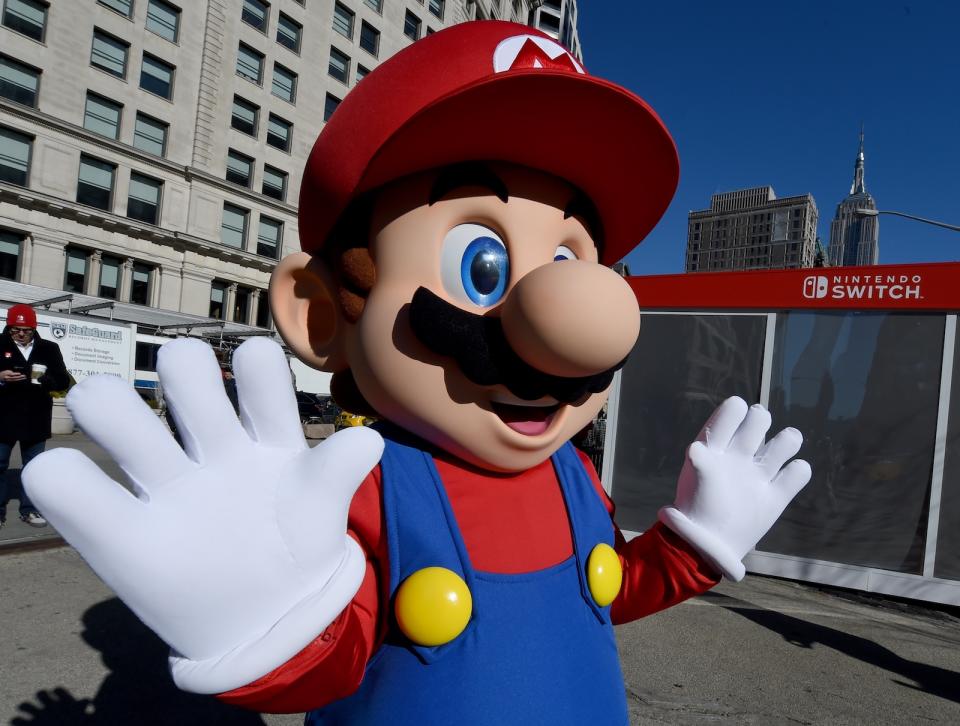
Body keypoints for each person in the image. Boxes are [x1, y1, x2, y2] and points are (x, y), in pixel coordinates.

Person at [24, 21, 812, 724]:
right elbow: (338, 657)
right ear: (324, 314)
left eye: (573, 257)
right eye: (482, 264)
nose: (572, 327)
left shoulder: (573, 477)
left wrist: (694, 547)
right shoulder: (365, 485)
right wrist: (267, 622)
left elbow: (599, 599)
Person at [0, 304, 69, 528]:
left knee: (34, 467)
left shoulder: (49, 348)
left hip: (35, 417)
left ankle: (29, 509)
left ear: (34, 328)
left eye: (26, 329)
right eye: (16, 329)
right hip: (3, 416)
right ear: (9, 327)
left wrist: (47, 379)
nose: (21, 333)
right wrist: (0, 376)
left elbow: (62, 380)